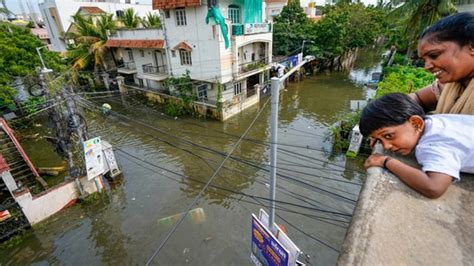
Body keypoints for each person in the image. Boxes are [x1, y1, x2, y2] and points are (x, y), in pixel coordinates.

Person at [360, 93, 474, 199]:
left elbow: (434, 187)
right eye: (380, 140)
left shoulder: (432, 145)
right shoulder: (435, 122)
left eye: (389, 135)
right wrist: (380, 135)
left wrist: (385, 161)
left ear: (416, 123)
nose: (386, 146)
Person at [411, 12, 474, 114]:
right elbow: (417, 98)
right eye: (424, 60)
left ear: (472, 47)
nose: (427, 67)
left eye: (434, 55)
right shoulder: (451, 86)